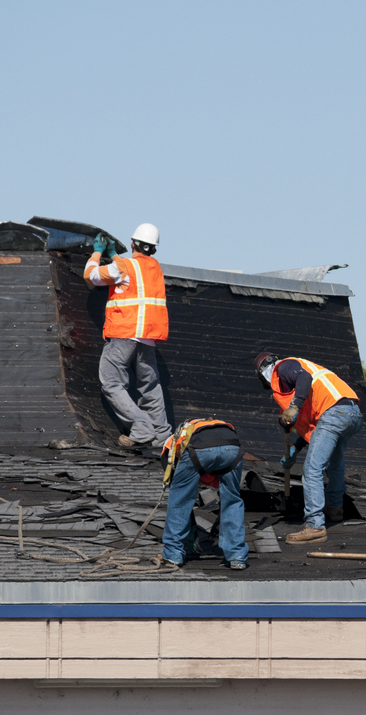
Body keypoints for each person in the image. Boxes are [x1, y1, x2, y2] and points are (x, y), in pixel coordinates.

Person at [254, 352, 362, 545]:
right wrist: (296, 447)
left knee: (312, 469)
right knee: (336, 463)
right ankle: (335, 509)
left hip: (334, 412)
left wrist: (294, 406)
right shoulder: (308, 387)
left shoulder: (284, 367)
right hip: (351, 412)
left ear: (264, 371)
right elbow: (315, 429)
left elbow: (304, 378)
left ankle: (315, 525)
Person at [84, 223, 171, 448]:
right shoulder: (155, 269)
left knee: (111, 382)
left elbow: (90, 276)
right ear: (153, 249)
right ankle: (162, 436)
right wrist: (113, 254)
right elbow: (131, 275)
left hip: (124, 333)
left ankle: (141, 428)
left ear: (132, 244)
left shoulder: (125, 268)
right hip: (148, 338)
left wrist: (97, 251)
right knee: (150, 387)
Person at [157, 418, 249, 571]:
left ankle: (173, 554)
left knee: (179, 499)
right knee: (232, 500)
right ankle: (237, 556)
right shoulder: (208, 426)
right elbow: (215, 479)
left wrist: (189, 526)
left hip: (199, 450)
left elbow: (181, 495)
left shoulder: (169, 448)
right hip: (232, 447)